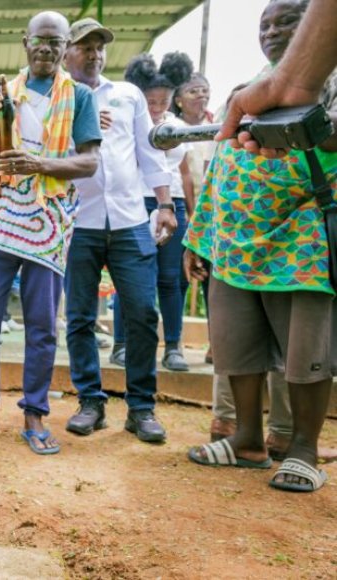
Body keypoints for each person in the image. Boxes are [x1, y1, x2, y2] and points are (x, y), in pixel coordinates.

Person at [186, 0, 337, 489]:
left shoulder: (325, 81)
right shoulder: (255, 85)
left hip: (301, 238)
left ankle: (303, 451)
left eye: (287, 22)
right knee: (236, 346)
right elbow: (220, 169)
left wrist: (311, 123)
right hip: (234, 243)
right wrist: (199, 237)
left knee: (304, 350)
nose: (273, 32)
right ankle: (246, 441)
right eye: (265, 24)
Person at [0, 11, 101, 455]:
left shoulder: (79, 97)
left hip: (48, 219)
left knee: (41, 322)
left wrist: (41, 165)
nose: (48, 49)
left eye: (57, 43)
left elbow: (90, 162)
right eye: (41, 40)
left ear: (65, 47)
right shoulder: (3, 92)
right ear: (25, 42)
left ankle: (34, 413)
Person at [63, 18, 177, 443]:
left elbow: (150, 153)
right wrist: (84, 129)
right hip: (78, 221)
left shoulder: (128, 95)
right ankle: (90, 402)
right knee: (79, 318)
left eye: (99, 47)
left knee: (143, 313)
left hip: (130, 219)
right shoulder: (58, 98)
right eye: (84, 46)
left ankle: (142, 407)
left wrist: (164, 204)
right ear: (66, 53)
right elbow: (45, 155)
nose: (93, 53)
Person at [111, 52, 195, 372]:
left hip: (172, 205)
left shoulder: (179, 128)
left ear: (172, 99)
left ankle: (173, 346)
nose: (157, 107)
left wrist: (191, 211)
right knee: (131, 278)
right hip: (137, 203)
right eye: (150, 101)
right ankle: (122, 343)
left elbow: (184, 173)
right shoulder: (130, 124)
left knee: (171, 279)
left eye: (163, 100)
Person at [217, 0, 337, 156]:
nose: (271, 32)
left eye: (286, 22)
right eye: (264, 27)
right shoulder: (249, 86)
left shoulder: (331, 76)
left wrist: (297, 120)